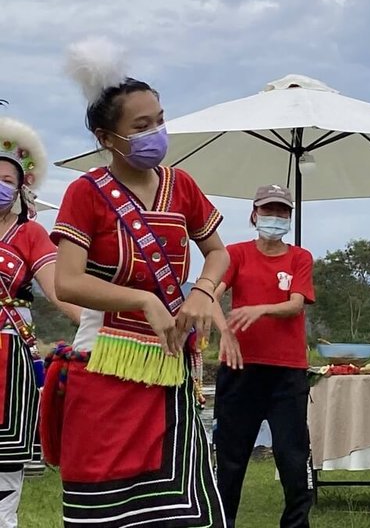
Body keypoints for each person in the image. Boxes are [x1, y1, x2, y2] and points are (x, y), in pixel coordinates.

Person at [41, 37, 230, 527]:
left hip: (170, 369)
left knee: (181, 504)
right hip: (106, 361)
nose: (156, 134)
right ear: (108, 138)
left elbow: (217, 253)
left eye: (161, 121)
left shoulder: (181, 185)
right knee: (103, 500)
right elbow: (68, 282)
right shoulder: (86, 193)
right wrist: (144, 299)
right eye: (141, 126)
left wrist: (205, 292)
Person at [213, 184, 315, 528]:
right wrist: (225, 332)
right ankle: (221, 521)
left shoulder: (299, 257)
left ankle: (296, 524)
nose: (275, 217)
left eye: (282, 212)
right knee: (230, 459)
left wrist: (260, 310)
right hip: (241, 369)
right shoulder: (235, 254)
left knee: (292, 458)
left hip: (287, 372)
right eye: (269, 211)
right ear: (254, 215)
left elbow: (295, 304)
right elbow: (210, 295)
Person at [0, 117, 82, 527]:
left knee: (3, 466)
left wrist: (99, 327)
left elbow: (61, 290)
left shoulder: (30, 234)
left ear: (19, 187)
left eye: (5, 179)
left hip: (7, 357)